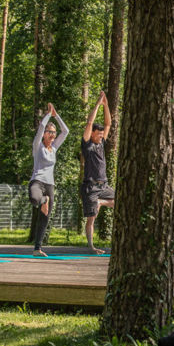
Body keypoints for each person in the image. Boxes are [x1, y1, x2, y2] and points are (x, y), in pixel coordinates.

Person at [28, 103, 69, 257]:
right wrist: (47, 115)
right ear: (44, 134)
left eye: (53, 132)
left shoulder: (55, 147)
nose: (52, 135)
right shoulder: (38, 146)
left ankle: (37, 249)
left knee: (44, 218)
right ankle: (43, 199)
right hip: (37, 182)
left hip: (50, 185)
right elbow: (40, 129)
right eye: (49, 132)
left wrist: (56, 115)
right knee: (34, 198)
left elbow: (66, 131)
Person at [80, 91, 114, 254]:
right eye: (98, 134)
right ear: (92, 133)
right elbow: (89, 123)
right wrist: (97, 105)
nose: (101, 136)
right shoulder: (87, 145)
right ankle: (91, 246)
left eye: (102, 134)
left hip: (104, 185)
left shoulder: (101, 144)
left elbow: (108, 124)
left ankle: (101, 202)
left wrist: (106, 106)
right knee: (91, 219)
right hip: (91, 187)